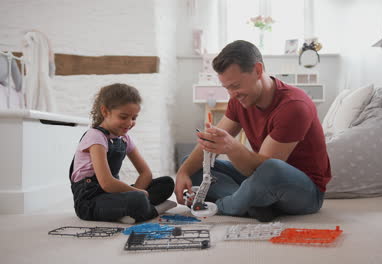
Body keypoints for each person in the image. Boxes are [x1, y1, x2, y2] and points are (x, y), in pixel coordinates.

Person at [175, 40, 332, 222]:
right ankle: (250, 203)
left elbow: (263, 168)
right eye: (227, 88)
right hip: (259, 180)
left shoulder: (294, 106)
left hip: (303, 191)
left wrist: (232, 148)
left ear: (258, 71)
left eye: (235, 86)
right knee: (193, 164)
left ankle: (226, 205)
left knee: (271, 170)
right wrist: (183, 172)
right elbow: (211, 142)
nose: (232, 94)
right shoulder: (240, 99)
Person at [69, 83, 176, 224]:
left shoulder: (124, 138)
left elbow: (145, 173)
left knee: (167, 183)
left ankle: (134, 209)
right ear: (105, 112)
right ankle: (148, 210)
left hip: (111, 195)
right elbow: (106, 183)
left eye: (134, 118)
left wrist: (135, 191)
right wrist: (136, 194)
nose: (129, 123)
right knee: (138, 199)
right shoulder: (95, 137)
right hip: (90, 201)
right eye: (124, 117)